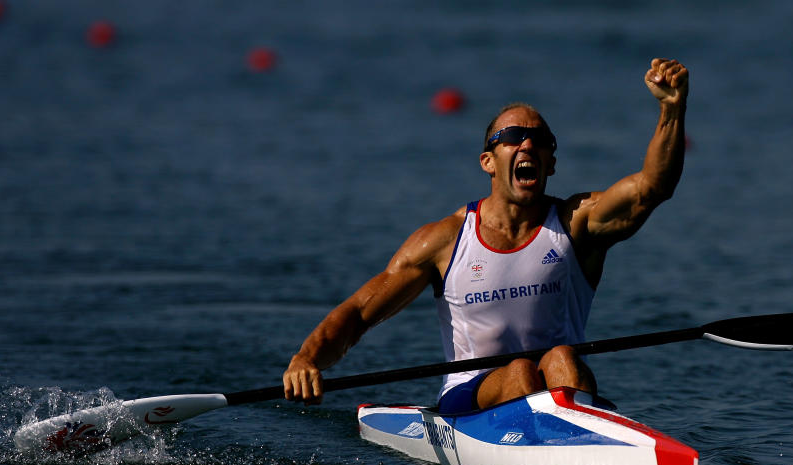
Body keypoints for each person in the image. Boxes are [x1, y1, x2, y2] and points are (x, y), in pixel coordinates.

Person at [284, 58, 689, 411]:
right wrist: (308, 358)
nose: (526, 143)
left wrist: (671, 110)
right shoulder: (444, 241)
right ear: (488, 162)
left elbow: (651, 189)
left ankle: (579, 445)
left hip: (558, 384)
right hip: (470, 398)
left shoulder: (575, 224)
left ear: (551, 163)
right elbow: (359, 313)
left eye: (540, 140)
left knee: (562, 358)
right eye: (512, 138)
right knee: (518, 372)